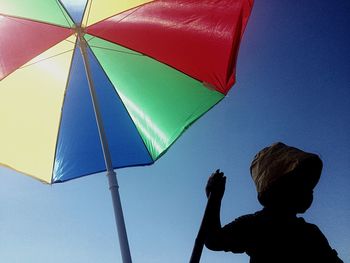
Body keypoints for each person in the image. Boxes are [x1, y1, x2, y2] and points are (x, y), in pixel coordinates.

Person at [204, 142, 343, 263]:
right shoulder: (257, 225)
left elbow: (213, 240)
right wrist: (214, 198)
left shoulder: (311, 233)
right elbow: (213, 240)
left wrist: (214, 198)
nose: (311, 191)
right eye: (301, 184)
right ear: (279, 188)